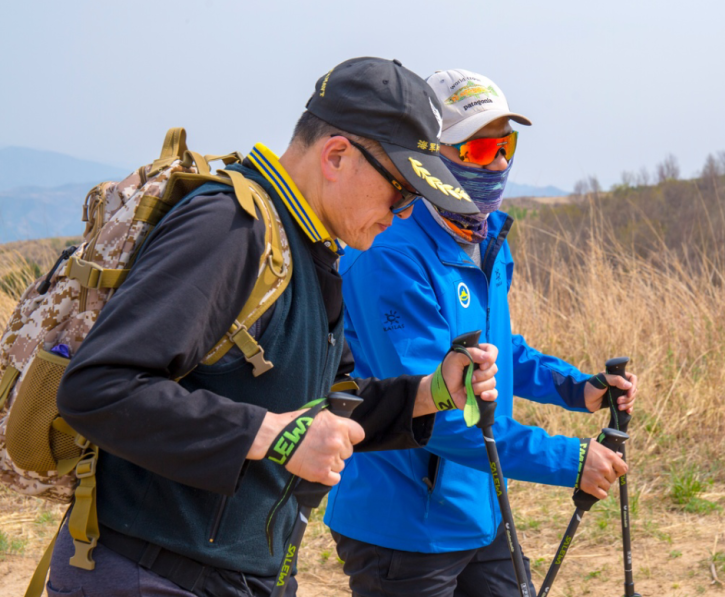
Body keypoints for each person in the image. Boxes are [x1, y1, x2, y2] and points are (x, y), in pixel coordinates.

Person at [49, 57, 501, 597]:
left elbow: (326, 409)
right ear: (336, 155)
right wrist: (276, 437)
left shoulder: (315, 248)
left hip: (237, 576)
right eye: (401, 192)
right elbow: (97, 388)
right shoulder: (230, 229)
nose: (403, 214)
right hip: (149, 573)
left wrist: (431, 394)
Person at [325, 69, 638, 597]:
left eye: (505, 145)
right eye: (477, 149)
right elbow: (431, 407)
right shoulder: (387, 254)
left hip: (482, 508)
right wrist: (570, 461)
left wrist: (574, 388)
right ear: (427, 156)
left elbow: (496, 349)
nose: (497, 162)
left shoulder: (486, 234)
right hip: (403, 528)